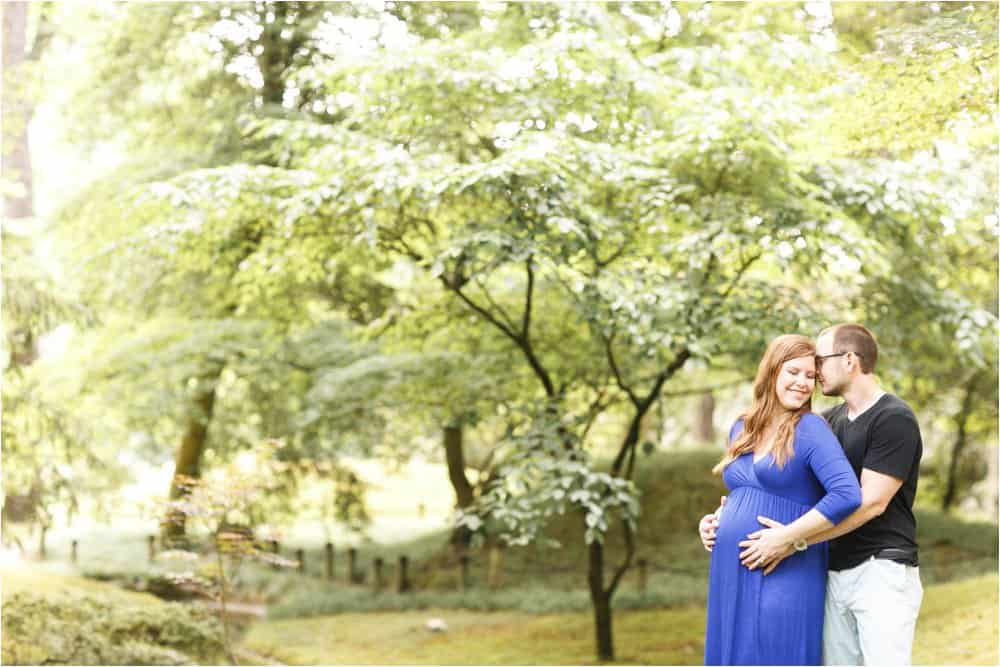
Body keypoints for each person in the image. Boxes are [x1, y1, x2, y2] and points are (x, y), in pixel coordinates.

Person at [703, 334, 861, 666]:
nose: (803, 383)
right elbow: (743, 492)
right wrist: (714, 522)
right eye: (794, 372)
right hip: (731, 572)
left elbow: (847, 494)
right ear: (772, 371)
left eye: (810, 376)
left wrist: (788, 537)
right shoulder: (741, 428)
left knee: (774, 653)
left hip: (785, 567)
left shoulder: (810, 429)